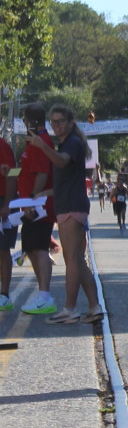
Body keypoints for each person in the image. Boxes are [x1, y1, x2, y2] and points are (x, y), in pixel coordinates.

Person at [25, 106, 102, 324]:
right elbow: (67, 180)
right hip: (68, 204)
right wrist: (45, 193)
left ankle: (70, 308)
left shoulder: (72, 143)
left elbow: (61, 161)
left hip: (71, 207)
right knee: (77, 259)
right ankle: (94, 306)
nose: (56, 125)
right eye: (53, 122)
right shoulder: (67, 143)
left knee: (72, 259)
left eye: (60, 121)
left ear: (70, 122)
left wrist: (42, 145)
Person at [15, 103, 57, 316]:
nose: (23, 123)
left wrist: (32, 201)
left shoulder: (41, 142)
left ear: (32, 121)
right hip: (30, 206)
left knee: (39, 249)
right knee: (31, 248)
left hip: (39, 207)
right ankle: (43, 294)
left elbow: (42, 173)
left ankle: (45, 296)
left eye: (24, 119)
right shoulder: (33, 141)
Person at [0, 129, 16, 312]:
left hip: (3, 200)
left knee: (3, 250)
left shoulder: (2, 146)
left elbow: (12, 176)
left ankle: (4, 295)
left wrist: (7, 205)